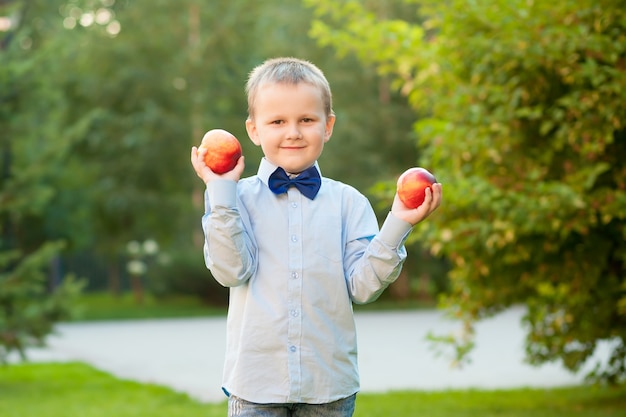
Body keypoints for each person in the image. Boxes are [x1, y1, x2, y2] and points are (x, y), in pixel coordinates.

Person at [190, 57, 442, 417]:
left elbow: (363, 287)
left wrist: (399, 222)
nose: (293, 132)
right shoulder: (234, 199)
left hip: (328, 387)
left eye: (306, 120)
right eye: (277, 121)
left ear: (328, 126)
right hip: (256, 385)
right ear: (254, 130)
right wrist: (220, 192)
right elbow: (230, 271)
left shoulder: (349, 203)